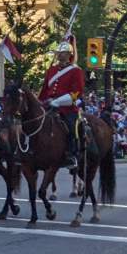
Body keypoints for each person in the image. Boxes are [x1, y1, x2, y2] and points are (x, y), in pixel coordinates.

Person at [38, 41, 84, 170]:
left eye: (62, 52)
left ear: (69, 54)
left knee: (71, 126)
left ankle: (71, 154)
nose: (59, 55)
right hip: (49, 105)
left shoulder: (76, 71)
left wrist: (58, 102)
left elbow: (77, 92)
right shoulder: (51, 70)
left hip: (67, 106)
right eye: (58, 52)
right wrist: (40, 103)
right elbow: (44, 90)